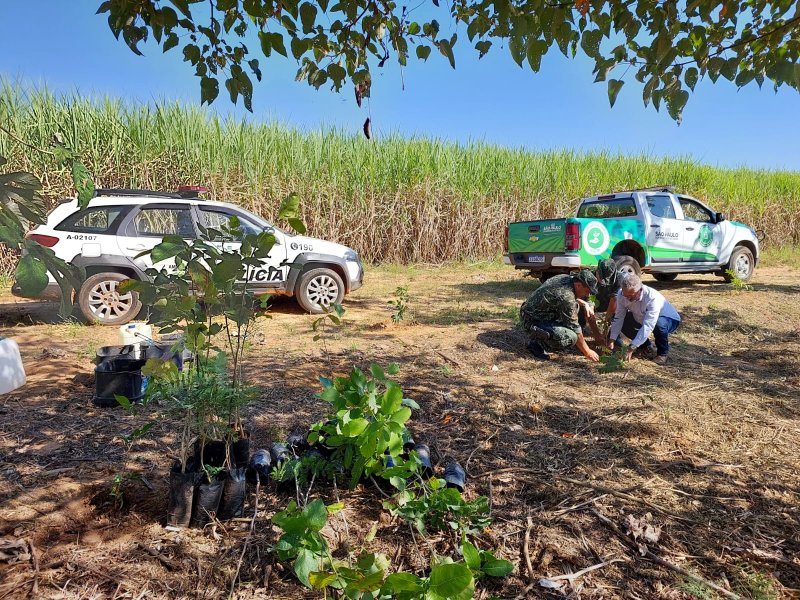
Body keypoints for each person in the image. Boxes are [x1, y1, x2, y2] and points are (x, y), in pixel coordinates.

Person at [520, 270, 601, 362]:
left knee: (576, 307)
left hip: (537, 312)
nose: (588, 294)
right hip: (531, 319)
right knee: (571, 337)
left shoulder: (567, 279)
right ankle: (537, 343)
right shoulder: (566, 296)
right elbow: (575, 328)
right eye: (587, 291)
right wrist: (587, 352)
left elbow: (584, 297)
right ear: (578, 285)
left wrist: (588, 304)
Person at [607, 273, 681, 365]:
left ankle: (662, 353)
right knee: (625, 320)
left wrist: (632, 347)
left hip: (668, 319)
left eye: (631, 296)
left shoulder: (652, 297)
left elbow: (648, 325)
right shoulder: (621, 295)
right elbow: (619, 317)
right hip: (641, 318)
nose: (628, 298)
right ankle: (646, 347)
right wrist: (612, 339)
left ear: (640, 290)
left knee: (659, 324)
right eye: (626, 295)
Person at [580, 257, 621, 344]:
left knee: (621, 306)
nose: (602, 281)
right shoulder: (589, 276)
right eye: (601, 277)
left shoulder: (619, 279)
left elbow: (612, 305)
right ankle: (581, 327)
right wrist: (596, 333)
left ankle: (614, 335)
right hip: (594, 302)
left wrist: (605, 330)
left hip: (608, 303)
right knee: (581, 304)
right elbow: (589, 299)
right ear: (597, 270)